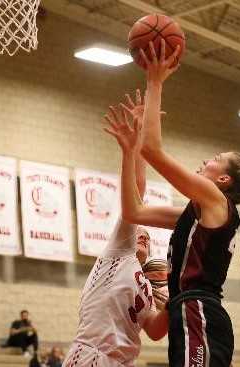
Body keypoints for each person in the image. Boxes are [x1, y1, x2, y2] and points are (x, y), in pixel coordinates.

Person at [110, 40, 240, 366]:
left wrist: (155, 82)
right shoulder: (197, 213)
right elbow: (134, 211)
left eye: (214, 159)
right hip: (190, 312)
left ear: (223, 180)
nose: (205, 160)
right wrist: (130, 152)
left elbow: (153, 151)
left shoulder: (216, 199)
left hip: (198, 311)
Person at [63, 91, 168, 367]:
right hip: (92, 356)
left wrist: (179, 297)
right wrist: (133, 146)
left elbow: (156, 330)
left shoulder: (146, 285)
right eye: (139, 232)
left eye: (147, 235)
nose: (142, 235)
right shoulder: (120, 253)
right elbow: (137, 191)